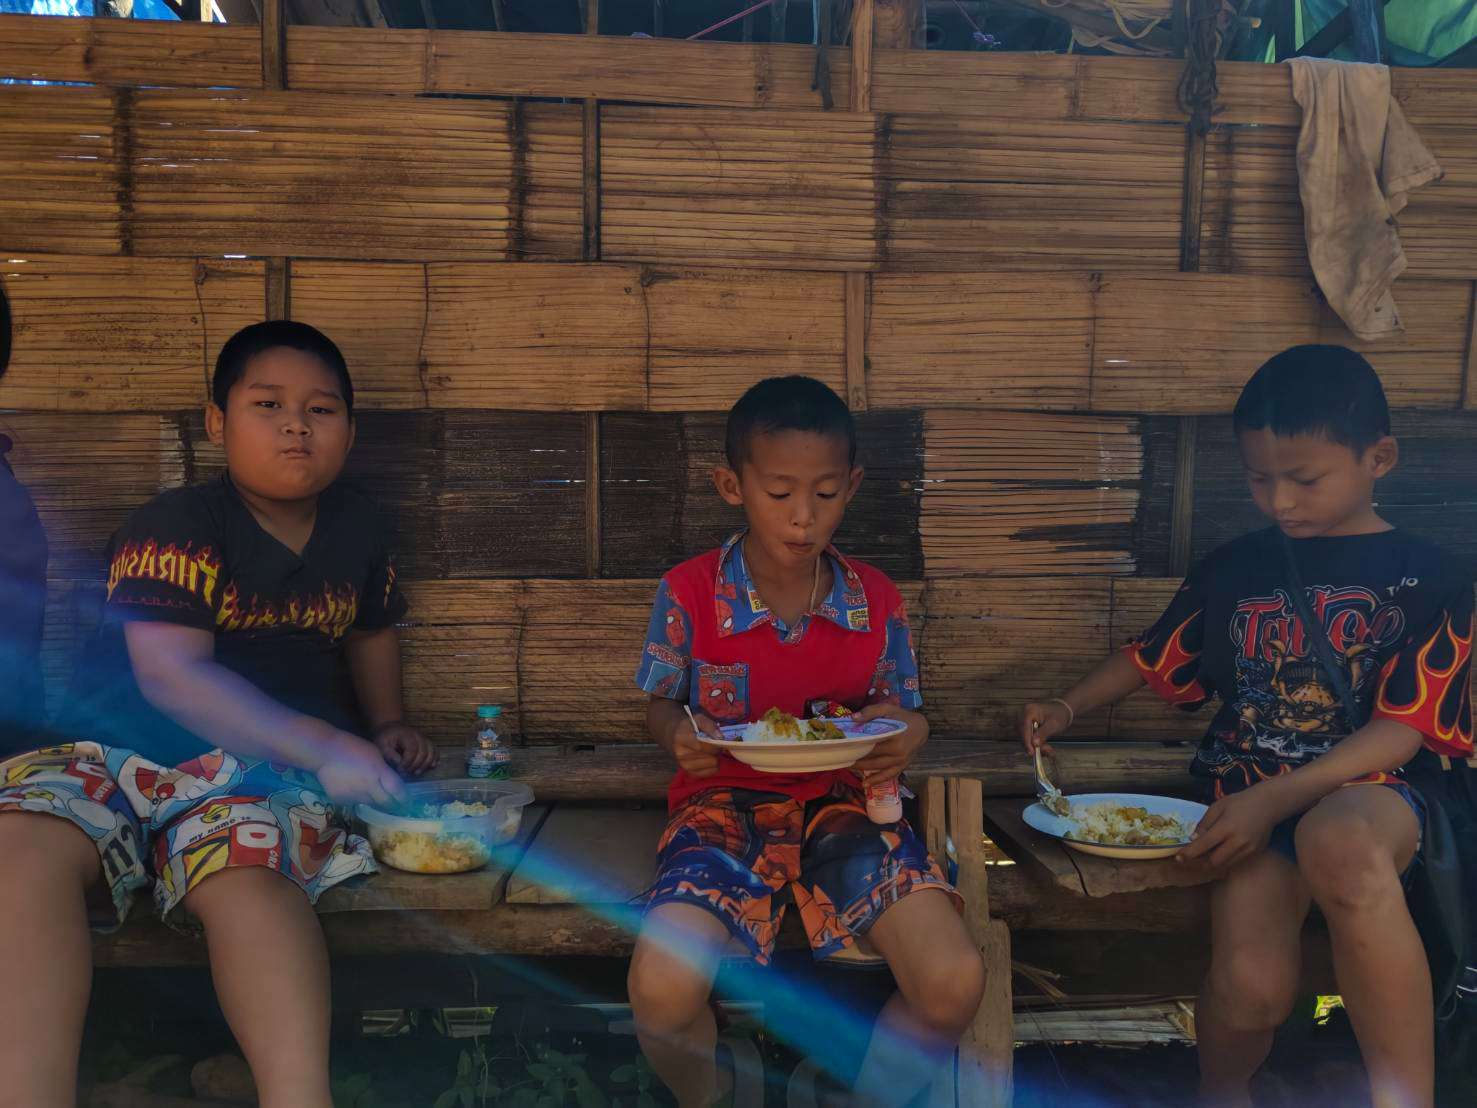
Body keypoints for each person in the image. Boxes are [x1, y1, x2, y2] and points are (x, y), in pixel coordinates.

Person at [1020, 345, 1473, 1108]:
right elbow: (1153, 654)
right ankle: (1220, 1094)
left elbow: (1403, 730)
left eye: (1303, 479)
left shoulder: (1435, 579)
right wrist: (1066, 705)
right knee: (1251, 984)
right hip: (1249, 796)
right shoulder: (1236, 568)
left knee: (1339, 839)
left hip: (1377, 795)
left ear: (1378, 458)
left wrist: (1276, 801)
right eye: (1258, 479)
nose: (1278, 502)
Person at [0, 321, 436, 1108]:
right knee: (19, 846)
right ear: (216, 423)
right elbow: (171, 676)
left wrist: (383, 724)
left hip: (250, 779)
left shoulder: (361, 529)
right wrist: (327, 741)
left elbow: (371, 628)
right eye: (266, 403)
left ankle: (297, 1097)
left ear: (350, 429)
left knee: (250, 876)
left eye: (321, 409)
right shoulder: (174, 526)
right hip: (112, 755)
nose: (295, 424)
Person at [629, 375, 985, 1107]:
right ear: (732, 485)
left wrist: (907, 732)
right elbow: (659, 708)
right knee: (660, 991)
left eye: (824, 495)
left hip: (846, 810)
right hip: (718, 810)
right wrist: (680, 736)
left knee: (951, 983)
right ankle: (713, 1096)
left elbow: (899, 710)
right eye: (779, 492)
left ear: (850, 486)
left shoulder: (873, 600)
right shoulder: (690, 592)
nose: (802, 518)